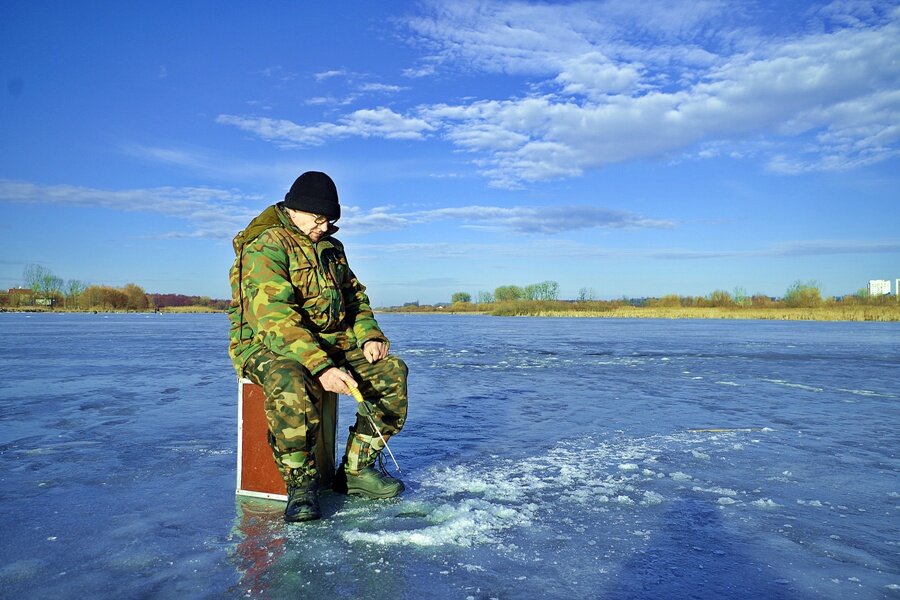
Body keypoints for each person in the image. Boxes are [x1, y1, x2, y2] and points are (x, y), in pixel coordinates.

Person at [228, 171, 408, 523]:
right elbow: (275, 318)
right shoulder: (266, 246)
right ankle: (301, 483)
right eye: (319, 218)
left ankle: (356, 471)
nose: (324, 227)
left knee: (390, 373)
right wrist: (321, 366)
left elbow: (355, 297)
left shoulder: (330, 248)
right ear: (295, 209)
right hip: (267, 343)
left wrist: (369, 335)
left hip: (330, 341)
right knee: (292, 380)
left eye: (330, 220)